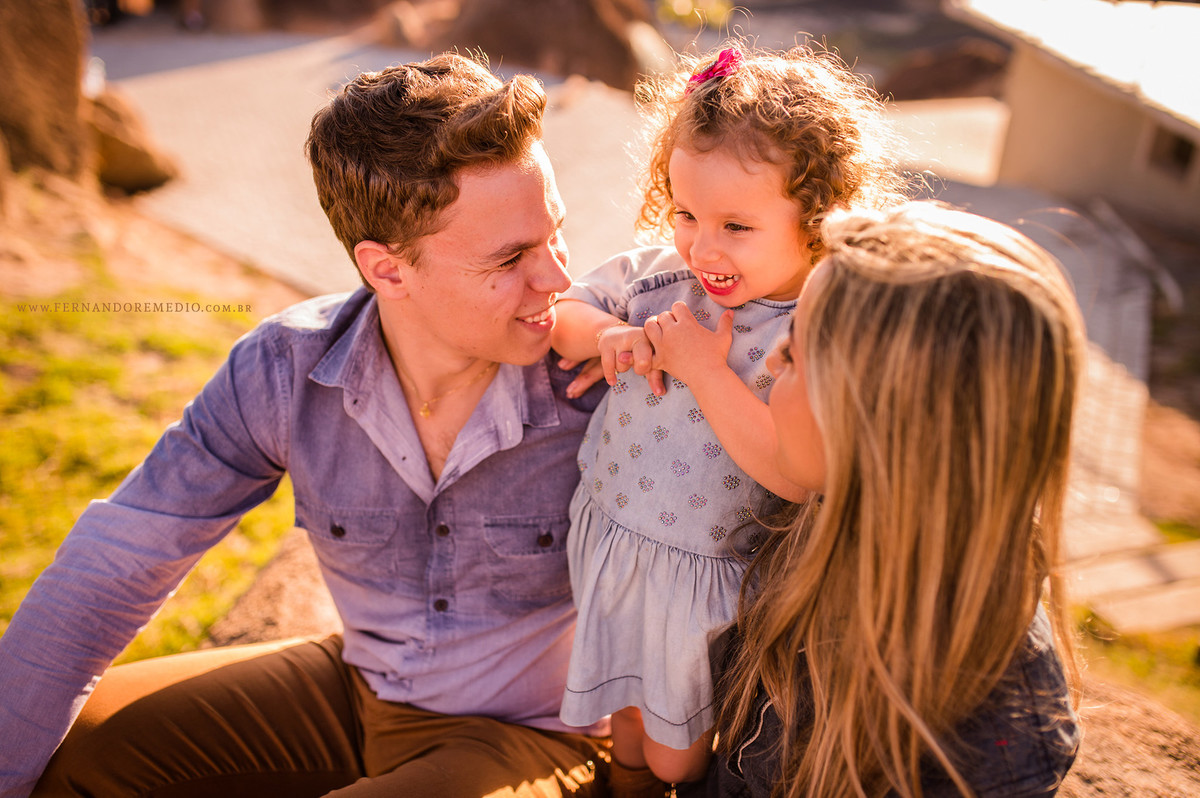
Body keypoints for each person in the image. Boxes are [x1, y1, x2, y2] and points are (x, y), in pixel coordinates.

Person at [0, 53, 615, 797]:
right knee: (83, 752)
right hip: (358, 688)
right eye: (511, 257)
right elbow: (116, 561)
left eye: (555, 232)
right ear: (387, 271)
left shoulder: (602, 379)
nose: (556, 275)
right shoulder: (285, 371)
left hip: (541, 735)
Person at [548, 45, 905, 793]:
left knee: (678, 752)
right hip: (614, 539)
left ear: (817, 218)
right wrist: (607, 335)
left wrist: (705, 370)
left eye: (736, 226)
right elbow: (566, 315)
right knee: (621, 718)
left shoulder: (809, 329)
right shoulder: (662, 281)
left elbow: (790, 469)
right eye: (684, 213)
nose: (701, 245)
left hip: (708, 576)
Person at [689, 202, 1084, 798]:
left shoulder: (998, 743)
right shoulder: (804, 529)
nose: (771, 359)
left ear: (879, 429)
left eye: (794, 353)